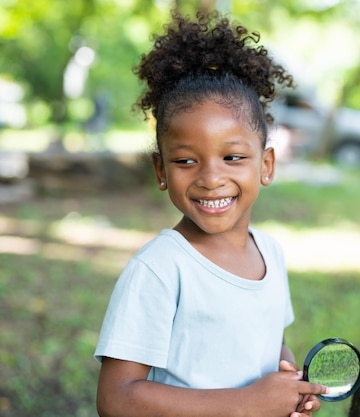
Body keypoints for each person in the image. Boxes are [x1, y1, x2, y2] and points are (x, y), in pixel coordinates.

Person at [94, 9, 328, 417]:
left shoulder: (270, 254)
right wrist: (246, 403)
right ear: (161, 171)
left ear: (266, 165)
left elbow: (270, 345)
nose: (210, 178)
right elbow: (116, 399)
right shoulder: (161, 269)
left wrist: (289, 383)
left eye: (233, 156)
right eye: (186, 161)